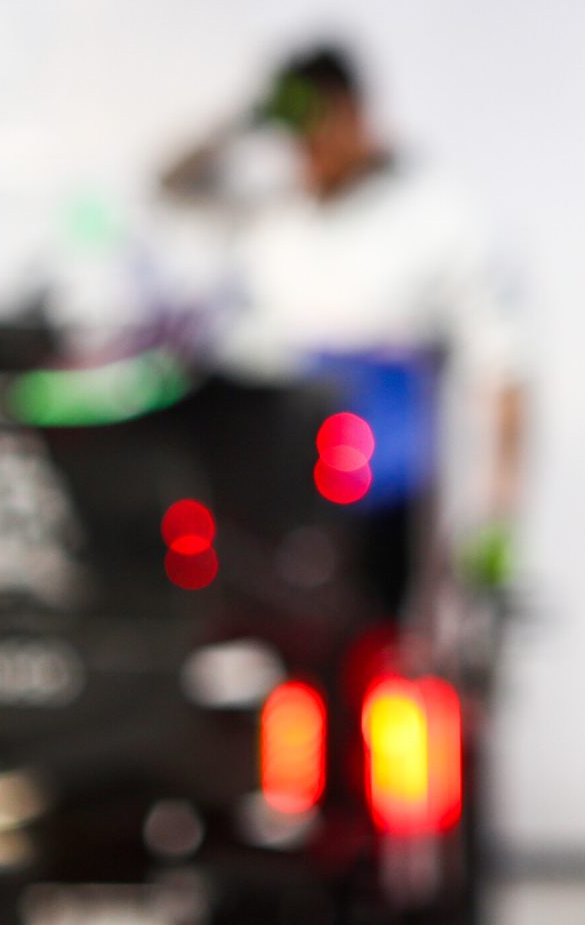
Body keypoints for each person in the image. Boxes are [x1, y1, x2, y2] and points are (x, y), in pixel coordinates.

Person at [162, 42, 527, 600]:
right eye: (293, 134)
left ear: (355, 113)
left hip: (384, 514)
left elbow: (504, 375)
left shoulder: (440, 220)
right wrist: (244, 120)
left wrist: (498, 518)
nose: (305, 149)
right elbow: (170, 187)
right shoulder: (275, 215)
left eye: (317, 128)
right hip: (262, 510)